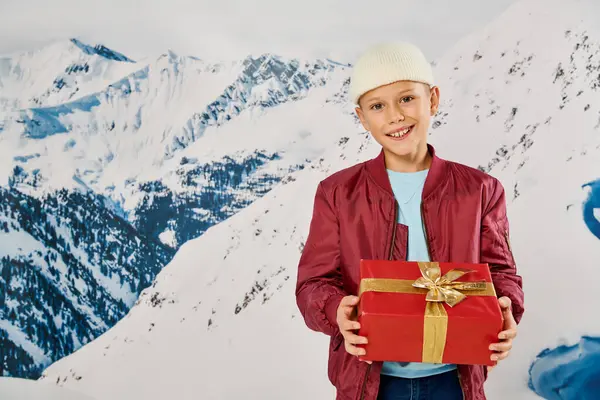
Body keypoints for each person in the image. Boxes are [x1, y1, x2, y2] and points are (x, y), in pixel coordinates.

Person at [295, 42, 524, 400]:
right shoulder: (338, 193)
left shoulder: (480, 190)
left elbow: (501, 274)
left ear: (432, 99)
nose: (395, 117)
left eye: (406, 99)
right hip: (368, 382)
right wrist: (334, 310)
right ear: (362, 118)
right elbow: (313, 283)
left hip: (455, 379)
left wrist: (507, 307)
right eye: (377, 106)